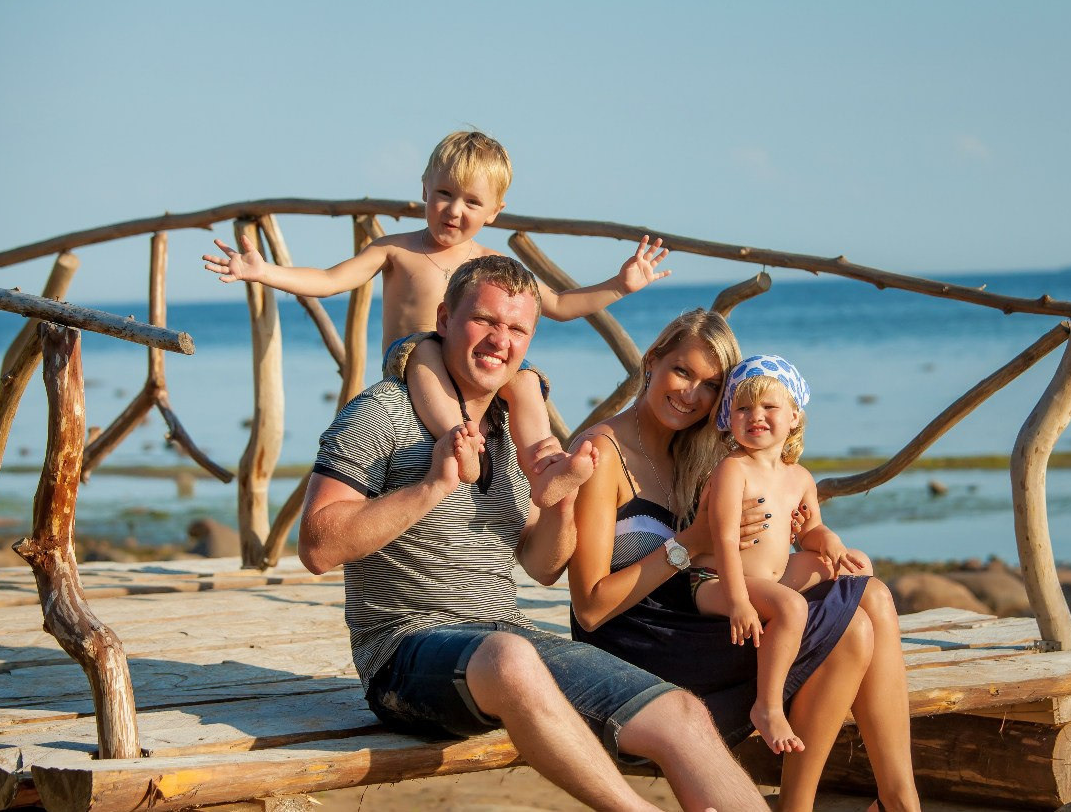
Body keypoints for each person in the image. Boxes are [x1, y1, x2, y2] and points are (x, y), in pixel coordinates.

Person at [298, 256, 768, 812]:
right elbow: (317, 546)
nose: (501, 340)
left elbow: (543, 567)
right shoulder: (382, 411)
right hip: (403, 652)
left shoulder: (510, 430)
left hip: (506, 637)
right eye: (485, 321)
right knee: (509, 656)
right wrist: (429, 488)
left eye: (517, 328)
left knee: (683, 714)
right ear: (445, 318)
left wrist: (561, 500)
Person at [568, 309, 921, 812]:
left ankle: (898, 799)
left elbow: (769, 527)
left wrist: (811, 536)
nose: (692, 394)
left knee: (873, 595)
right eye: (682, 372)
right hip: (636, 642)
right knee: (853, 630)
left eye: (711, 385)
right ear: (652, 361)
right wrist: (691, 541)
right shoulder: (604, 453)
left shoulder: (697, 451)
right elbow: (589, 609)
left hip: (692, 618)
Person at [203, 130, 670, 507]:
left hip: (476, 366)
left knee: (526, 381)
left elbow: (561, 306)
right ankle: (460, 443)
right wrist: (264, 271)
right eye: (443, 193)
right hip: (414, 362)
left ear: (494, 211)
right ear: (424, 188)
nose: (453, 210)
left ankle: (544, 464)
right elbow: (330, 279)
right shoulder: (396, 250)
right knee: (427, 346)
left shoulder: (492, 265)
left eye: (471, 201)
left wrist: (620, 284)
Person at [695, 354, 867, 755]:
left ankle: (840, 658)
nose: (756, 415)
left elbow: (808, 531)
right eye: (742, 408)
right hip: (717, 581)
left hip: (769, 579)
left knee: (859, 567)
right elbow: (720, 538)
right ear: (729, 420)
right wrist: (737, 601)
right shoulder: (732, 470)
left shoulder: (799, 477)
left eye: (769, 406)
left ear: (793, 416)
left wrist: (830, 542)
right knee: (790, 607)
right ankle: (767, 706)